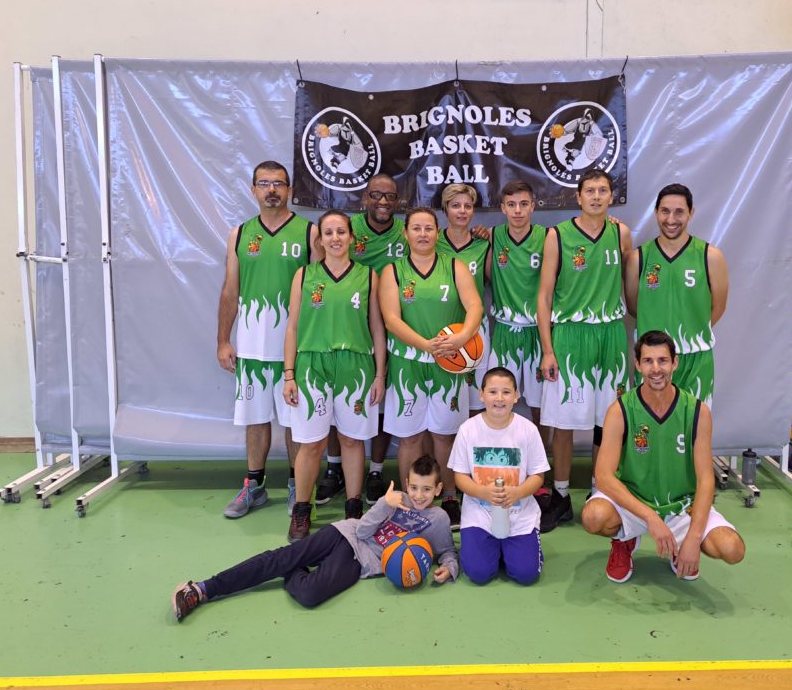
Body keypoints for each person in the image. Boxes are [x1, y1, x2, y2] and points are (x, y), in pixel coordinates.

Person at [171, 454, 458, 622]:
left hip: (360, 560)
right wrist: (385, 503)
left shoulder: (438, 519)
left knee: (309, 594)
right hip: (344, 533)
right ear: (407, 483)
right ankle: (201, 589)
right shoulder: (396, 499)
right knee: (279, 558)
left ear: (438, 489)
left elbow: (446, 551)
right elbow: (361, 530)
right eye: (414, 487)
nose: (419, 495)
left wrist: (449, 567)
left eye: (426, 489)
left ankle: (291, 567)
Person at [581, 330, 746, 583]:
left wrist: (693, 538)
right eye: (648, 361)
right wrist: (650, 517)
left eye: (663, 360)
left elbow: (705, 480)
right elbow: (603, 476)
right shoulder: (620, 410)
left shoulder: (697, 411)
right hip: (634, 502)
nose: (656, 369)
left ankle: (680, 544)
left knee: (732, 549)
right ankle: (624, 540)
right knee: (594, 516)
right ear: (637, 365)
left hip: (681, 504)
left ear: (675, 363)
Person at [217, 161, 316, 519]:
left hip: (295, 348)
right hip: (252, 346)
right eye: (264, 183)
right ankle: (254, 486)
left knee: (295, 422)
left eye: (279, 183)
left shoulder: (309, 232)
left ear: (290, 190)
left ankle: (296, 486)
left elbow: (320, 288)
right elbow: (230, 291)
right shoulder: (240, 234)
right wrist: (223, 341)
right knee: (255, 419)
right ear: (253, 190)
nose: (272, 189)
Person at [282, 210, 387, 542]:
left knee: (352, 440)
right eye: (328, 233)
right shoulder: (304, 275)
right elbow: (292, 327)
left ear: (351, 238)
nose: (335, 238)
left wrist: (380, 374)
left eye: (341, 232)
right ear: (320, 240)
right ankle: (302, 509)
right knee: (311, 443)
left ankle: (353, 509)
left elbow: (377, 327)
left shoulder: (368, 275)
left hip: (355, 365)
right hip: (312, 364)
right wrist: (289, 374)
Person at [537, 169, 632, 532]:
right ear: (577, 197)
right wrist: (548, 349)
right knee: (563, 423)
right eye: (589, 190)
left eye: (602, 190)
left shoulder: (621, 234)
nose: (595, 196)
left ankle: (600, 490)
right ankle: (560, 496)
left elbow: (630, 286)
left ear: (611, 197)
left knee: (607, 422)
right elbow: (544, 296)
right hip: (570, 336)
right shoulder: (558, 235)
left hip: (610, 336)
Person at [379, 207, 484, 530]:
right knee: (409, 437)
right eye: (416, 228)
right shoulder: (393, 271)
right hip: (408, 363)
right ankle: (411, 500)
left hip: (448, 364)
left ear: (437, 233)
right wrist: (426, 345)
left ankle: (449, 496)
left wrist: (462, 338)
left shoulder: (454, 266)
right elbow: (391, 319)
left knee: (445, 435)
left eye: (428, 228)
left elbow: (475, 306)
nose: (423, 234)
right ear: (406, 233)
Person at [315, 175, 407, 509]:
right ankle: (334, 468)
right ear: (364, 198)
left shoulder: (407, 231)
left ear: (398, 200)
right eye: (376, 195)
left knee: (382, 401)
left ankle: (376, 471)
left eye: (390, 196)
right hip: (348, 325)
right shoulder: (346, 229)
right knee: (335, 400)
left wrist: (481, 234)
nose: (383, 202)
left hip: (393, 326)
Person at [625, 183, 728, 406]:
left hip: (695, 359)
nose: (671, 219)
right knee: (650, 423)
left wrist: (692, 332)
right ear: (656, 212)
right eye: (665, 211)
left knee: (694, 421)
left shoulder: (710, 256)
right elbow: (634, 307)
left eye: (679, 212)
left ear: (691, 213)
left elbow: (718, 307)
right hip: (653, 361)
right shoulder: (638, 258)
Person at [448, 368, 549, 585]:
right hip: (479, 514)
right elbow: (460, 476)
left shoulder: (528, 430)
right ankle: (495, 550)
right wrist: (481, 492)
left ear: (516, 396)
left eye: (506, 392)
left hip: (519, 514)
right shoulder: (468, 430)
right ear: (481, 394)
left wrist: (518, 493)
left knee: (526, 574)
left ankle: (513, 550)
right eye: (493, 392)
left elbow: (538, 475)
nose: (499, 398)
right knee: (478, 573)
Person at [485, 180, 549, 443]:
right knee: (496, 399)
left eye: (524, 204)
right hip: (505, 331)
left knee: (540, 405)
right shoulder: (492, 235)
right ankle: (497, 455)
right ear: (502, 208)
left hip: (538, 332)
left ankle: (541, 460)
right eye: (511, 204)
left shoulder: (548, 237)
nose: (518, 210)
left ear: (533, 206)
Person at [437, 183, 491, 412]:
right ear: (445, 208)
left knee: (476, 397)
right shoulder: (432, 241)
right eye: (455, 205)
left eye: (467, 206)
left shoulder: (483, 244)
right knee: (443, 399)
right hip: (441, 325)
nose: (462, 211)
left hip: (474, 326)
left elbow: (491, 281)